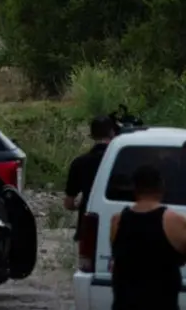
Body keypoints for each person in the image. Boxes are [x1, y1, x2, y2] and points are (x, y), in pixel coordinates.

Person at [110, 165, 186, 310]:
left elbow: (119, 257)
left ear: (134, 189)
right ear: (161, 186)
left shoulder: (118, 221)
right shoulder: (174, 221)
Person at [65, 116, 115, 242]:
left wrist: (80, 204)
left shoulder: (79, 163)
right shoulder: (122, 160)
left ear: (91, 135)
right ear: (112, 132)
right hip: (116, 223)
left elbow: (69, 203)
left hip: (88, 224)